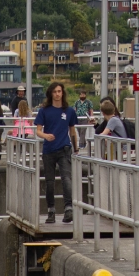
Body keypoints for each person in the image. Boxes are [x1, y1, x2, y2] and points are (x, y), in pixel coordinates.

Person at [34, 80, 78, 224]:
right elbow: (38, 131)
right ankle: (51, 210)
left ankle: (68, 209)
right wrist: (46, 135)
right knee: (49, 182)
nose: (57, 94)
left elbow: (72, 131)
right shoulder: (44, 111)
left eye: (59, 91)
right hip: (48, 150)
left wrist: (76, 148)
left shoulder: (69, 111)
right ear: (51, 94)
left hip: (64, 149)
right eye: (55, 92)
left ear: (62, 93)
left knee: (66, 178)